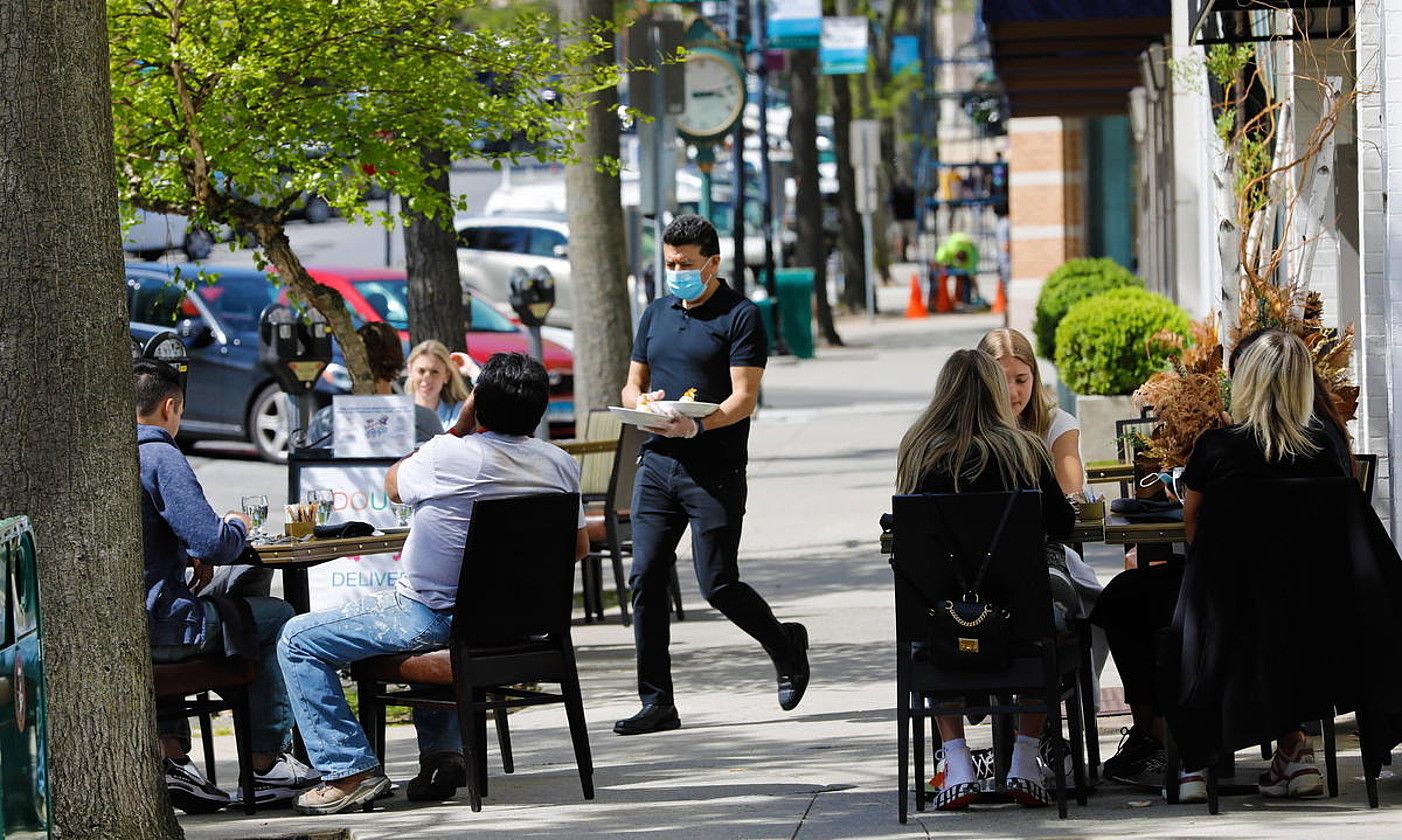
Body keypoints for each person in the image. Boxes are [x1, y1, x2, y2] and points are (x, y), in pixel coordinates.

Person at [278, 353, 589, 815]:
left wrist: (456, 428)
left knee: (296, 639)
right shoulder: (559, 464)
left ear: (477, 403)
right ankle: (443, 756)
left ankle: (348, 771)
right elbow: (578, 547)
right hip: (523, 626)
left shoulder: (450, 454)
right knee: (434, 617)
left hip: (434, 617)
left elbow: (392, 486)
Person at [1090, 330, 1347, 801]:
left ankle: (1182, 754)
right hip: (1307, 607)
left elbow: (1195, 533)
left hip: (1219, 606)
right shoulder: (1326, 446)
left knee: (1125, 598)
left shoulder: (1219, 447)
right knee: (1248, 614)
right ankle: (1294, 749)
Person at [614, 213, 810, 737]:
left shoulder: (740, 315)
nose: (676, 272)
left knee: (717, 583)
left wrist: (698, 430)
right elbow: (631, 387)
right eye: (670, 263)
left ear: (713, 262)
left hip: (713, 467)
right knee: (646, 577)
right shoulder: (655, 314)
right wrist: (646, 405)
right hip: (657, 462)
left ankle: (785, 645)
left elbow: (744, 398)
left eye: (686, 264)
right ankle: (657, 702)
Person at [896, 349, 1077, 810]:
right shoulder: (1025, 450)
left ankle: (956, 762)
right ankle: (1025, 759)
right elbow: (1061, 523)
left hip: (945, 619)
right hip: (1020, 614)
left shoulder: (919, 450)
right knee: (1052, 616)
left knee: (933, 613)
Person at [135, 360, 318, 813]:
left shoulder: (109, 455)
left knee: (224, 609)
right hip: (166, 628)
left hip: (131, 623)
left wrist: (181, 551)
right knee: (278, 620)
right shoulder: (160, 454)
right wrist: (233, 525)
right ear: (170, 406)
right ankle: (266, 761)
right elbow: (213, 541)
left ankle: (172, 756)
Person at [306, 322, 442, 446]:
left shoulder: (325, 421)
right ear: (399, 361)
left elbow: (308, 468)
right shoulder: (425, 420)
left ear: (352, 363)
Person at [406, 339, 472, 431]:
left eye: (435, 372)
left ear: (446, 375)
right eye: (421, 371)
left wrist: (473, 372)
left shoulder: (459, 413)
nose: (427, 379)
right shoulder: (398, 413)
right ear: (409, 371)